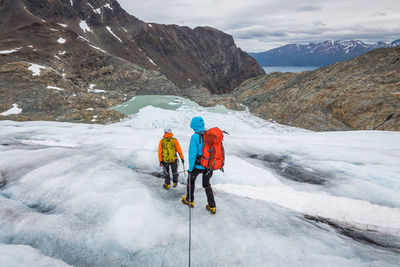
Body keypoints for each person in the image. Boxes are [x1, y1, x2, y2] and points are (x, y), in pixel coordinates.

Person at [181, 117, 216, 214]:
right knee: (207, 185)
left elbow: (192, 154)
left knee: (191, 181)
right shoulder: (209, 134)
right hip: (208, 166)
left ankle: (189, 200)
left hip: (197, 166)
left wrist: (190, 169)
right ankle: (212, 206)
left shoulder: (195, 137)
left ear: (193, 125)